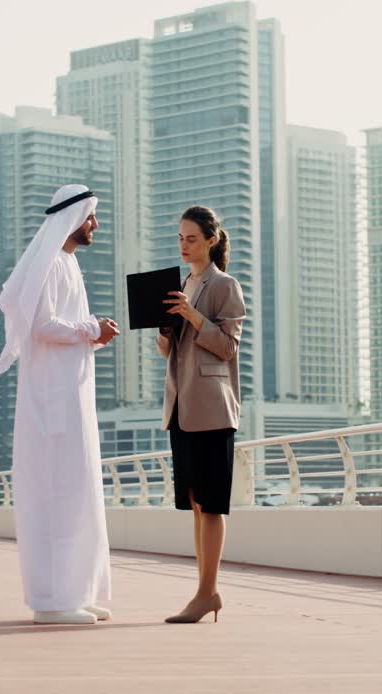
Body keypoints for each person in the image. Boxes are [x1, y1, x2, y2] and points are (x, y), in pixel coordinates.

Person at [0, 184, 119, 625]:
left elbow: (68, 332)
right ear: (73, 219)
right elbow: (44, 325)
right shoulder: (50, 264)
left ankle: (73, 592)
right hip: (51, 401)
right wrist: (91, 327)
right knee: (56, 491)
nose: (95, 225)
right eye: (90, 217)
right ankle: (51, 601)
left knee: (77, 490)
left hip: (71, 394)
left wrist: (95, 334)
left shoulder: (67, 263)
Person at [156, 205, 245, 624]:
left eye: (191, 238)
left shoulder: (223, 285)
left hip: (211, 407)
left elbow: (228, 347)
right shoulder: (183, 284)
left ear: (211, 239)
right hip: (182, 404)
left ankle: (206, 592)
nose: (184, 245)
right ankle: (205, 592)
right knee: (195, 503)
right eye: (179, 238)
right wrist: (165, 329)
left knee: (211, 505)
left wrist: (191, 314)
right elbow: (171, 351)